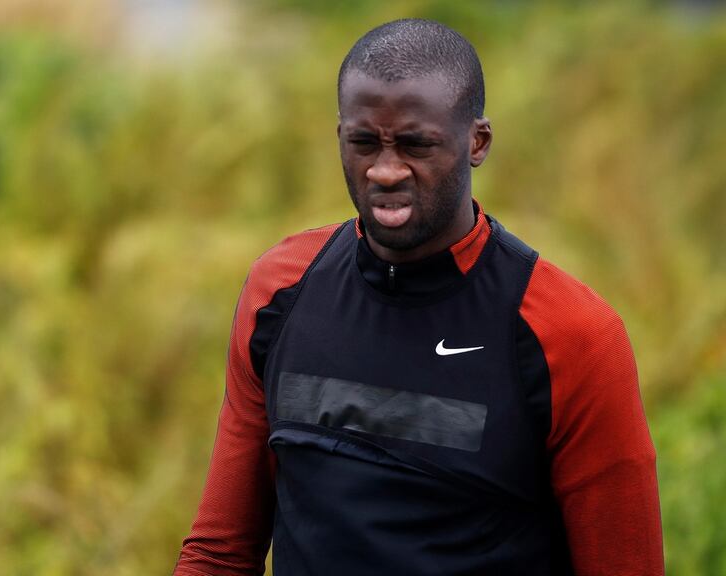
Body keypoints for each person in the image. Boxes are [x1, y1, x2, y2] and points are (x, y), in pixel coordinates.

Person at [173, 18, 664, 576]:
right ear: (339, 136)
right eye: (364, 143)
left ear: (476, 142)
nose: (384, 170)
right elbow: (219, 553)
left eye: (415, 144)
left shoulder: (571, 332)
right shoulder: (281, 290)